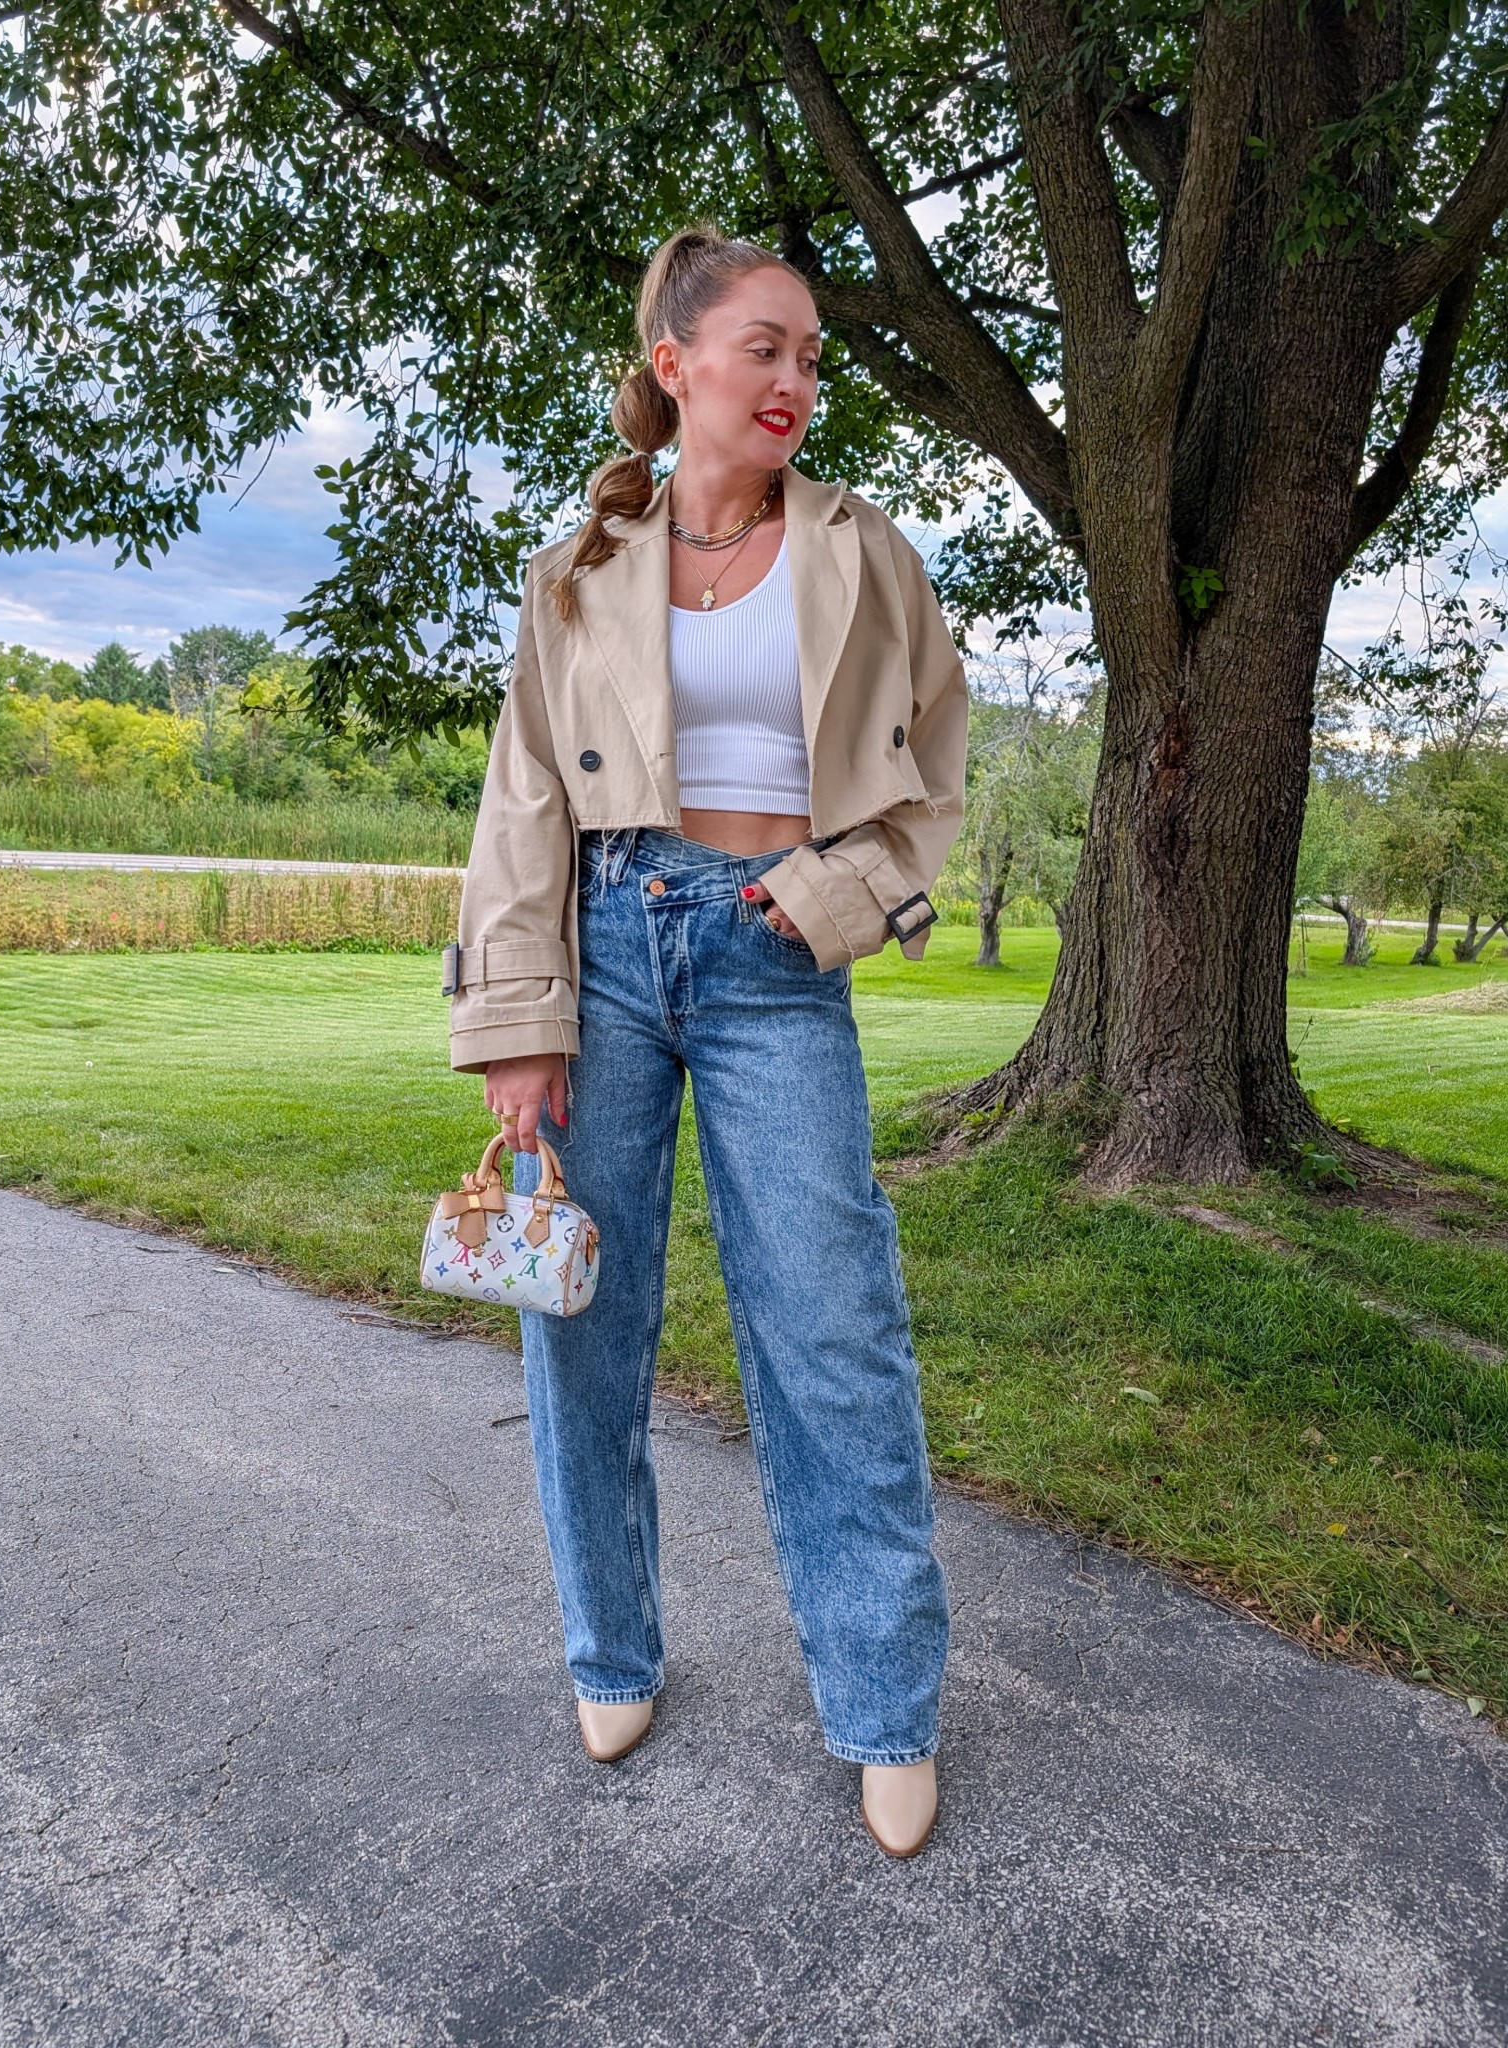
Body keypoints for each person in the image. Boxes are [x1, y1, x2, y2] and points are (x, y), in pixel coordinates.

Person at [446, 224, 969, 1858]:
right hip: (602, 946)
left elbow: (931, 777)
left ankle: (883, 1705)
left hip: (773, 953)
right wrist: (518, 1026)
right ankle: (610, 1654)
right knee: (579, 1323)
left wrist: (825, 900)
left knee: (831, 1332)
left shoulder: (866, 552)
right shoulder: (581, 571)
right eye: (766, 348)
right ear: (676, 366)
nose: (798, 381)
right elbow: (521, 803)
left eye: (811, 355)